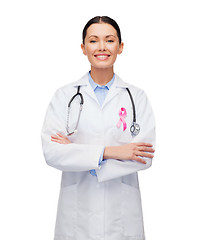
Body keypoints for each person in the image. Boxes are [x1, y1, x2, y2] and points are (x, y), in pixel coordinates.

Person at [41, 16, 155, 240]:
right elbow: (53, 152)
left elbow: (144, 156)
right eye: (93, 41)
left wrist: (77, 152)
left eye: (109, 40)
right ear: (83, 48)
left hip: (122, 218)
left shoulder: (137, 97)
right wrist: (110, 152)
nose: (102, 47)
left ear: (120, 47)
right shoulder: (64, 96)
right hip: (76, 218)